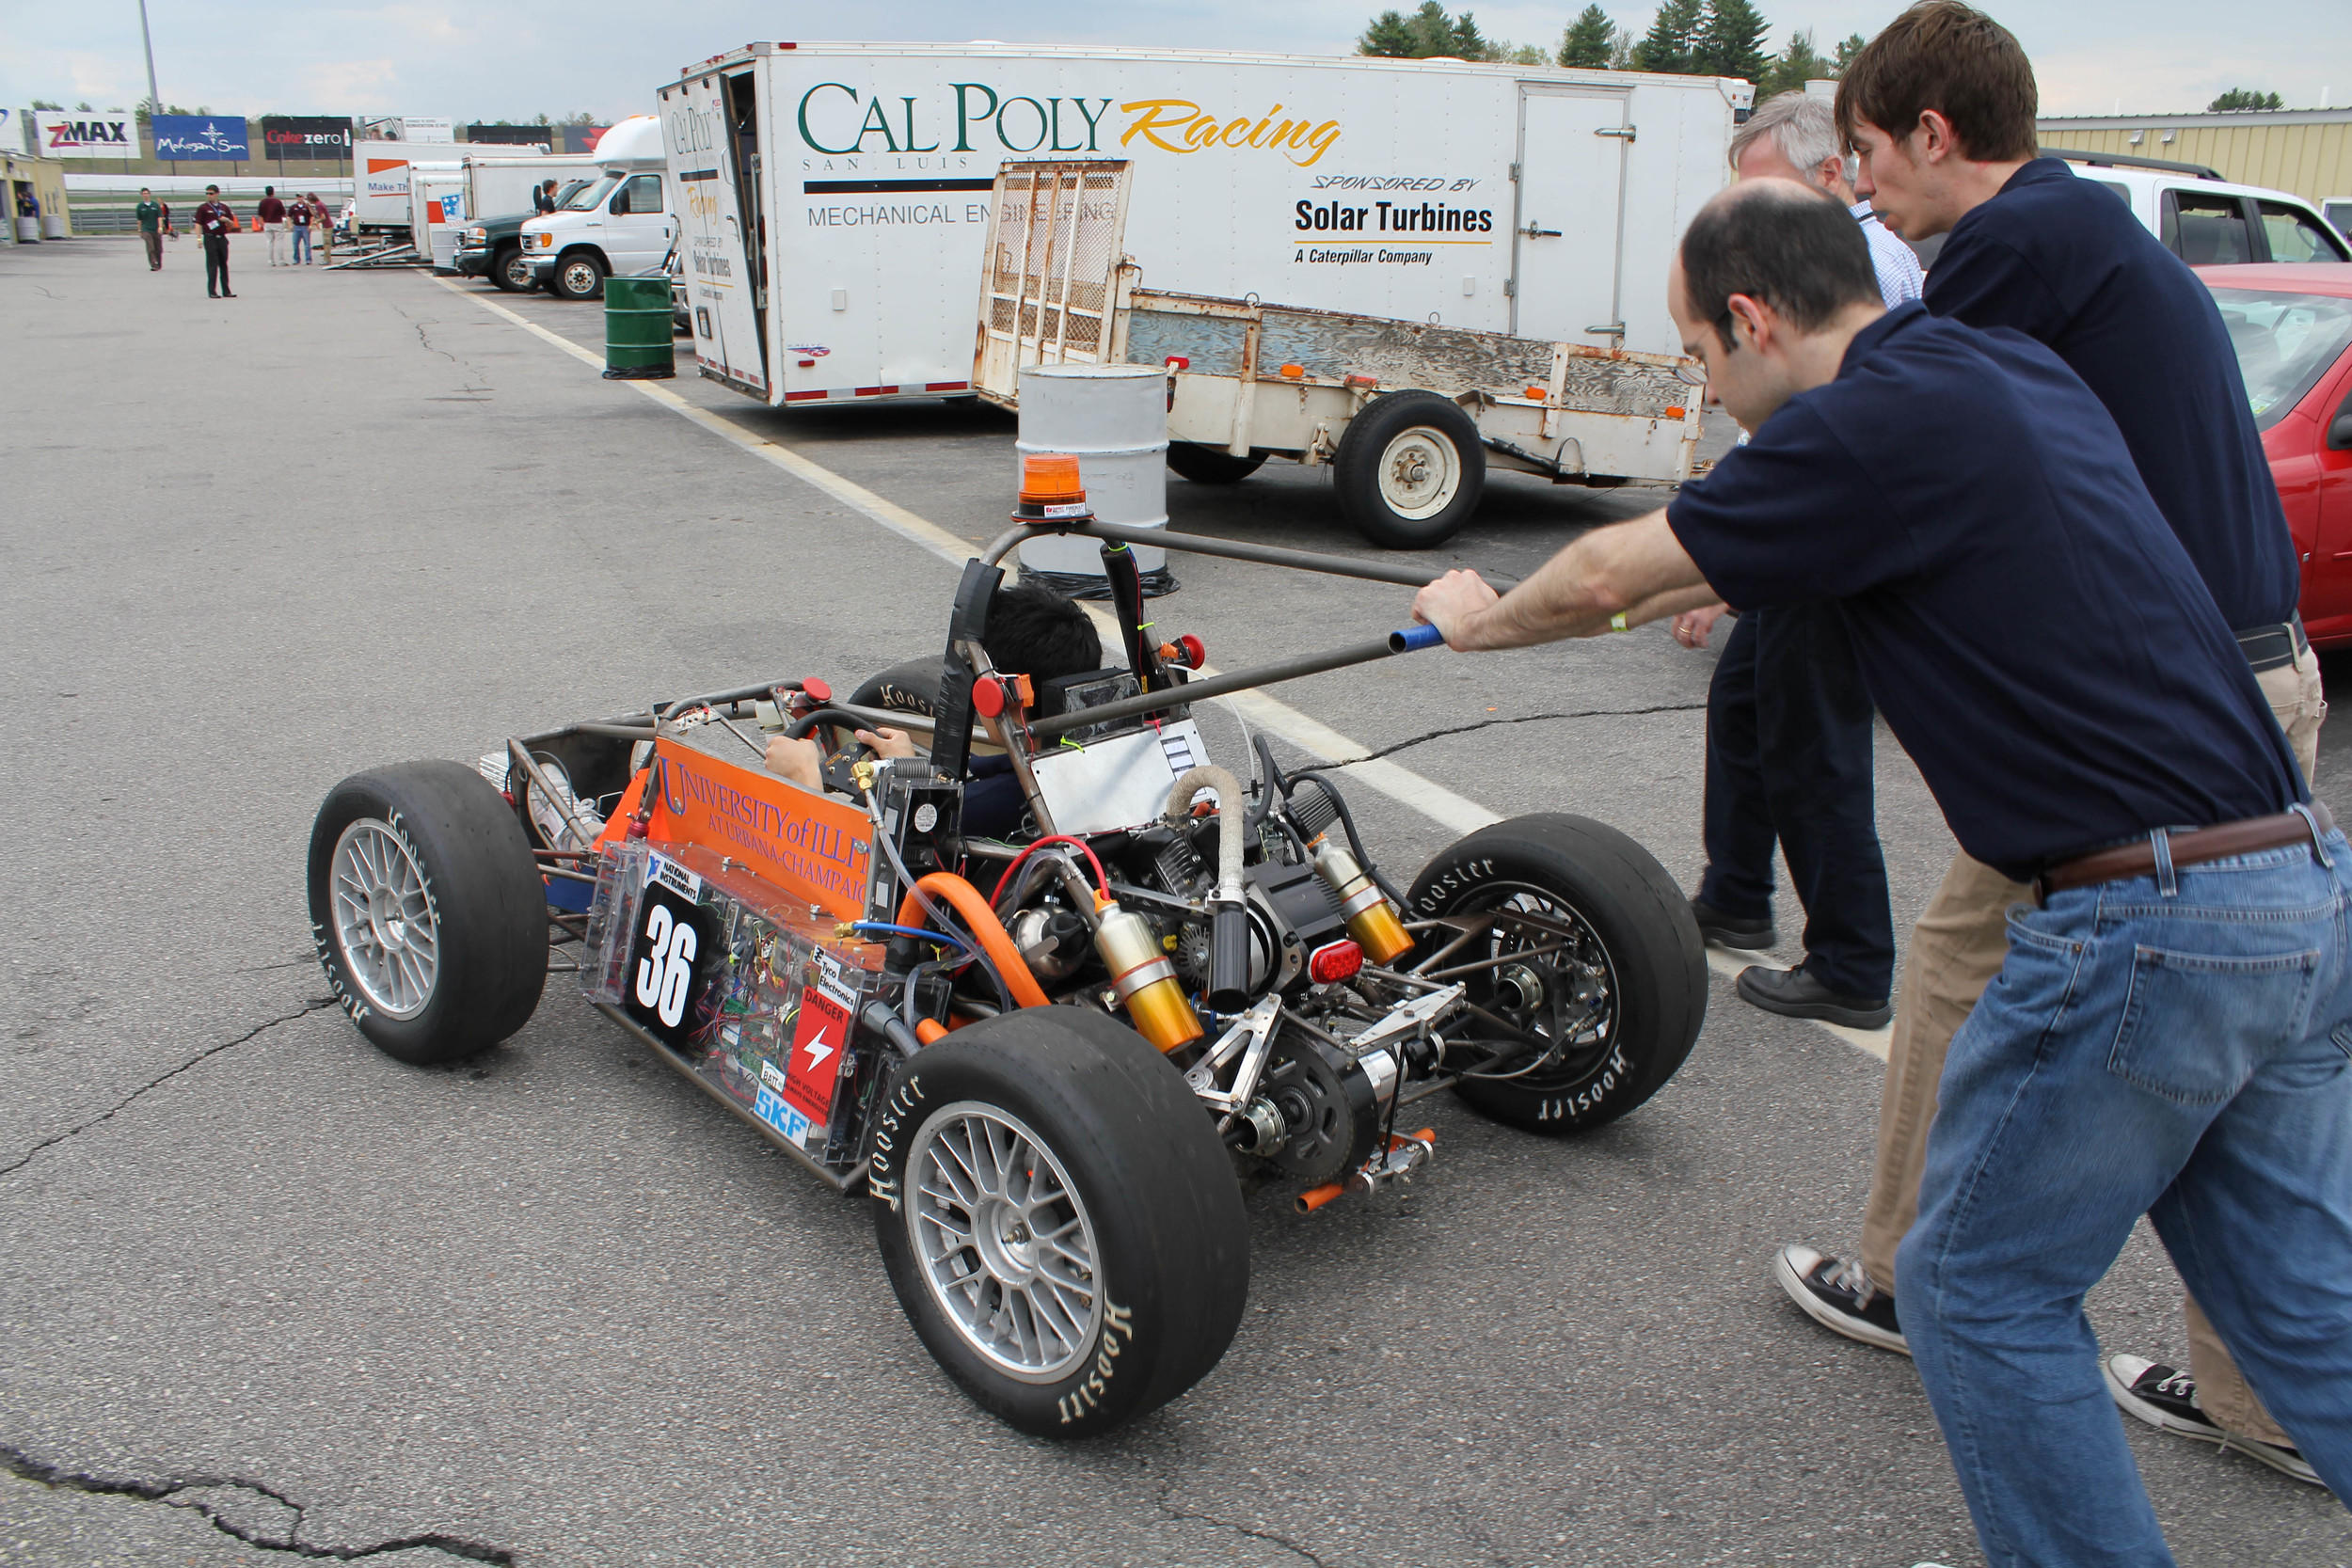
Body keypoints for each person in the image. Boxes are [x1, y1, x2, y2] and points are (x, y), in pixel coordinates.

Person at [1414, 176, 2352, 1563]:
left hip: (2148, 922)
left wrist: (1481, 621)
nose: (1704, 383)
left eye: (1696, 352)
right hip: (2293, 888)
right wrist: (1730, 570)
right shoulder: (1992, 366)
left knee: (1975, 1287)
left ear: (1751, 318)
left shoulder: (1862, 425)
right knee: (2297, 1305)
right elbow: (1761, 555)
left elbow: (1622, 563)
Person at [1772, 0, 2328, 1488]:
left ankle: (1907, 1275)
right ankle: (2259, 1394)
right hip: (2256, 690)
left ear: (1937, 137)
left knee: (1965, 953)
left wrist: (1729, 546)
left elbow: (1891, 431)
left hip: (2160, 733)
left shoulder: (2011, 248)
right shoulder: (2093, 232)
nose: (1862, 186)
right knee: (2245, 1071)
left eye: (1869, 155)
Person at [1672, 88, 1924, 1031]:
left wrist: (1722, 554)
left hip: (1840, 545)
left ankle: (1852, 959)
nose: (1748, 215)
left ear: (1830, 174)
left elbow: (1830, 427)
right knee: (1743, 706)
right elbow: (1781, 420)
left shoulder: (1865, 264)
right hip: (1807, 534)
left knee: (1812, 743)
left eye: (1764, 189)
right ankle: (1736, 889)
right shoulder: (1812, 256)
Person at [763, 585, 1103, 840]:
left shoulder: (982, 807)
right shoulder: (1091, 760)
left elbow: (848, 866)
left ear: (996, 694)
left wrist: (805, 783)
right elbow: (986, 768)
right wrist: (908, 770)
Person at [192, 185, 237, 299]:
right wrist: (198, 239)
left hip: (221, 238)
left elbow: (232, 225)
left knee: (223, 264)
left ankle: (226, 290)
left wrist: (227, 220)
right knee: (212, 264)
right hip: (209, 237)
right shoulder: (203, 208)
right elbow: (198, 224)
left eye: (211, 193)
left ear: (217, 194)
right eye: (207, 193)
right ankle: (212, 290)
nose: (209, 195)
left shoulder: (224, 208)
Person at [134, 187, 171, 271]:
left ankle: (159, 262)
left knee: (158, 248)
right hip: (146, 229)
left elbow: (159, 217)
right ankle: (153, 264)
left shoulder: (155, 205)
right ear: (142, 195)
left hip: (156, 229)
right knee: (150, 247)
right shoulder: (140, 207)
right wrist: (139, 230)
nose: (145, 195)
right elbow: (139, 220)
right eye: (144, 194)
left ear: (149, 194)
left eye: (147, 193)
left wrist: (160, 227)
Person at [258, 186, 287, 266]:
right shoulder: (277, 202)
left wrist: (261, 224)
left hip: (267, 223)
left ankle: (271, 260)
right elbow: (283, 213)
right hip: (277, 222)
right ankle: (281, 260)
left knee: (269, 242)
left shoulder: (263, 202)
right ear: (273, 192)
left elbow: (260, 215)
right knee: (279, 242)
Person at [289, 193, 312, 265]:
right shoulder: (293, 207)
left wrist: (311, 225)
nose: (299, 198)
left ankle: (308, 259)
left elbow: (312, 216)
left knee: (307, 245)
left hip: (305, 226)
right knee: (295, 244)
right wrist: (290, 225)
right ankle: (296, 259)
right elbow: (288, 216)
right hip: (297, 226)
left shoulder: (306, 207)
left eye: (301, 197)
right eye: (298, 197)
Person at [311, 194, 336, 264]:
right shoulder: (320, 204)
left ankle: (327, 260)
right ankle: (327, 259)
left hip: (327, 226)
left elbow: (323, 217)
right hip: (327, 225)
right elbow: (315, 213)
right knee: (327, 244)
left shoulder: (319, 205)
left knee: (327, 244)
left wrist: (316, 222)